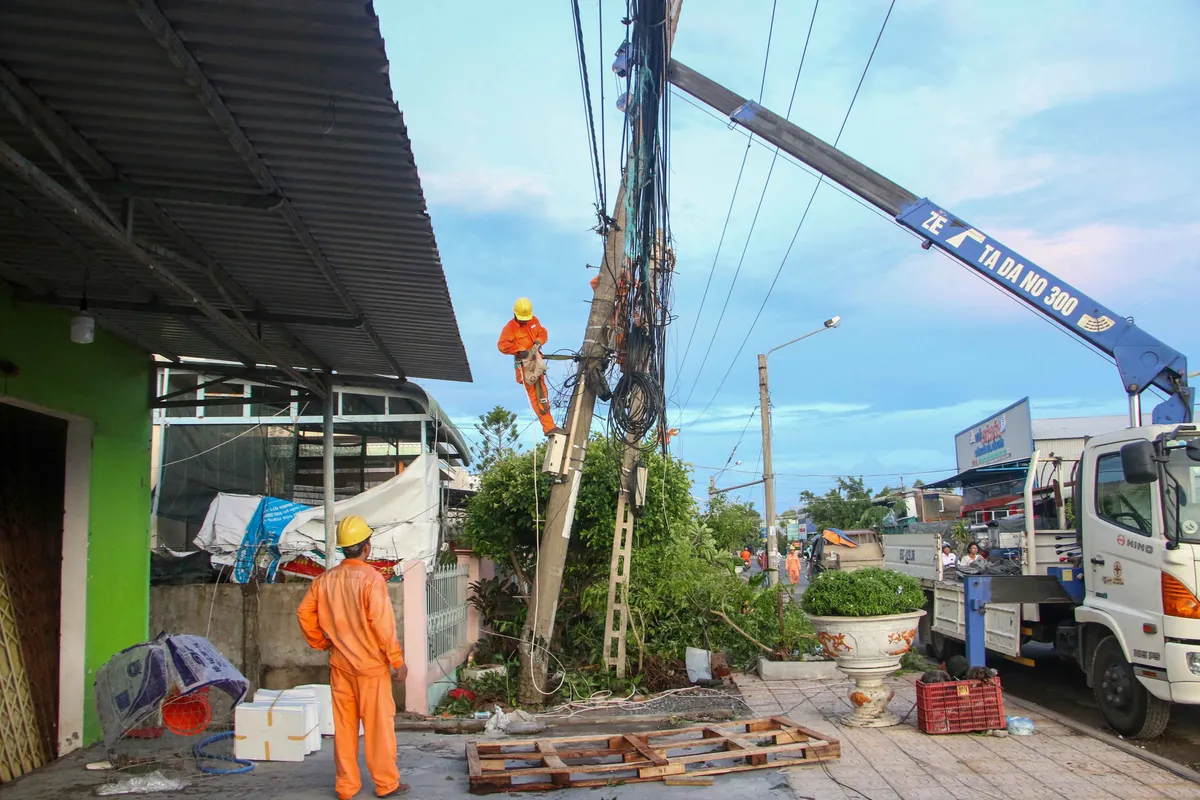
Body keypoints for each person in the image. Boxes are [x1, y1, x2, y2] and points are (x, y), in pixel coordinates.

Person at [297, 516, 409, 799]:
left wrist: (321, 642)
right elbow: (383, 627)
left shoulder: (325, 580)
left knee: (345, 729)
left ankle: (346, 787)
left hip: (340, 667)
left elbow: (303, 612)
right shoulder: (371, 580)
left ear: (344, 549)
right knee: (378, 729)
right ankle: (386, 784)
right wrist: (397, 661)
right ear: (366, 547)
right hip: (371, 669)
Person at [497, 298, 562, 436]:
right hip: (525, 367)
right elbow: (502, 346)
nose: (524, 322)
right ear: (515, 314)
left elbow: (543, 332)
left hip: (536, 361)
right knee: (537, 396)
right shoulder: (509, 328)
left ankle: (550, 426)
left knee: (543, 394)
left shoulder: (533, 321)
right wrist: (519, 349)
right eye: (522, 319)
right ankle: (549, 427)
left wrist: (539, 341)